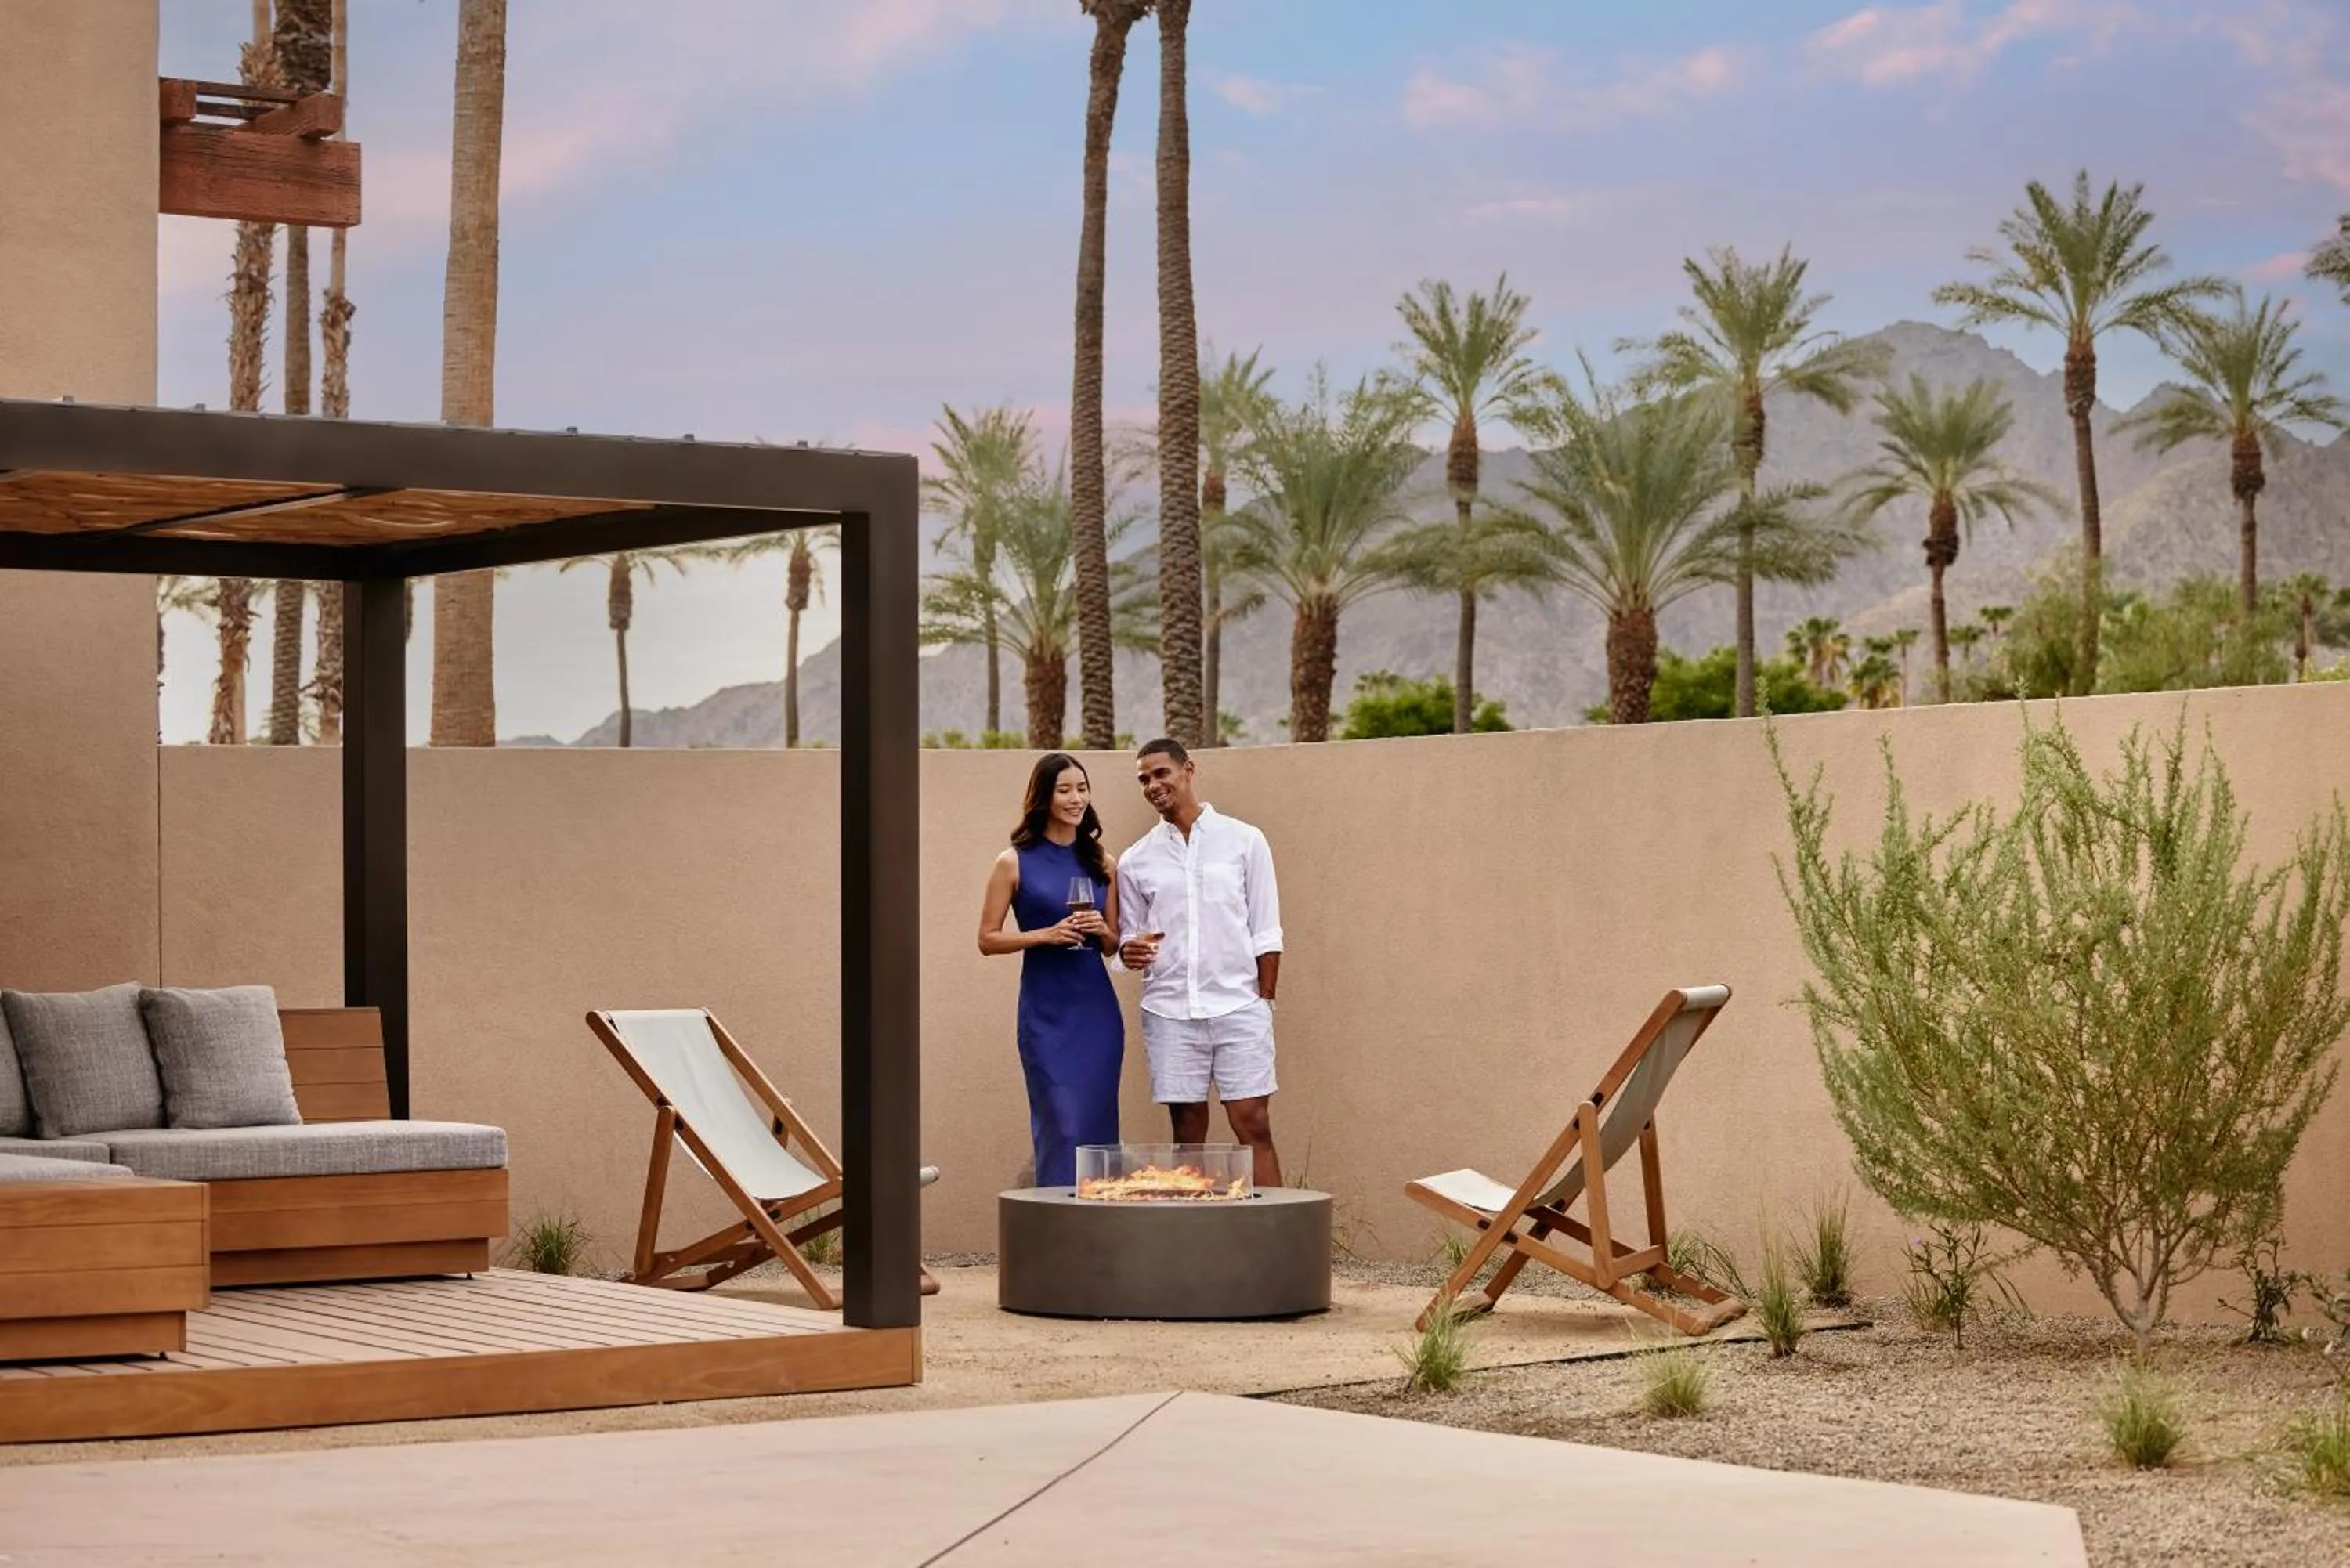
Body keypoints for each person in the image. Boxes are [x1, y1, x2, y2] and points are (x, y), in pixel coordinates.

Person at [1114, 737, 1285, 1190]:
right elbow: (1126, 939)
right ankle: (1191, 1244)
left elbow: (1267, 930)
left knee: (1253, 1124)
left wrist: (1262, 1002)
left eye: (1160, 773)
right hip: (1170, 1013)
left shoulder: (1245, 841)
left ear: (1188, 769)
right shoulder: (1135, 860)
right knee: (1188, 1135)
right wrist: (1127, 953)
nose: (1152, 785)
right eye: (1143, 780)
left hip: (1239, 1007)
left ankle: (1278, 1240)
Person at [977, 753, 1125, 1187]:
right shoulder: (1013, 861)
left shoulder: (1105, 863)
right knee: (1061, 1123)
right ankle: (1058, 1238)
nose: (1076, 798)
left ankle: (1099, 1235)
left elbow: (1116, 943)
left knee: (1097, 1126)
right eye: (1064, 790)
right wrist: (1045, 935)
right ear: (1043, 797)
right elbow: (987, 939)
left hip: (1096, 1012)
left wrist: (1101, 930)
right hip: (1045, 1014)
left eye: (1082, 788)